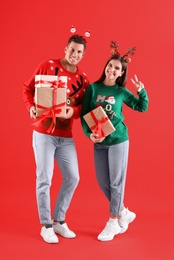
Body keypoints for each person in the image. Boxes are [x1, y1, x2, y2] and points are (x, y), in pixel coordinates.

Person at [23, 34, 90, 244]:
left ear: (83, 54)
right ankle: (46, 225)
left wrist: (74, 112)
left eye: (79, 52)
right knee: (44, 179)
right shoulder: (47, 65)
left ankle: (59, 220)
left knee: (73, 177)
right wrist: (31, 107)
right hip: (44, 133)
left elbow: (83, 107)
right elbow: (27, 88)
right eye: (72, 50)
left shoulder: (83, 80)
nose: (75, 55)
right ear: (65, 48)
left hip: (65, 136)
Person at [81, 42, 149, 242]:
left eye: (117, 68)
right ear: (105, 67)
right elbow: (85, 114)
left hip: (118, 140)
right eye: (110, 66)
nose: (112, 70)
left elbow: (141, 107)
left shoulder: (121, 92)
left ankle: (113, 221)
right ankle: (123, 211)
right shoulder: (93, 88)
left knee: (116, 182)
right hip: (99, 142)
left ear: (121, 73)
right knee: (104, 182)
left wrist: (142, 91)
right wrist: (89, 135)